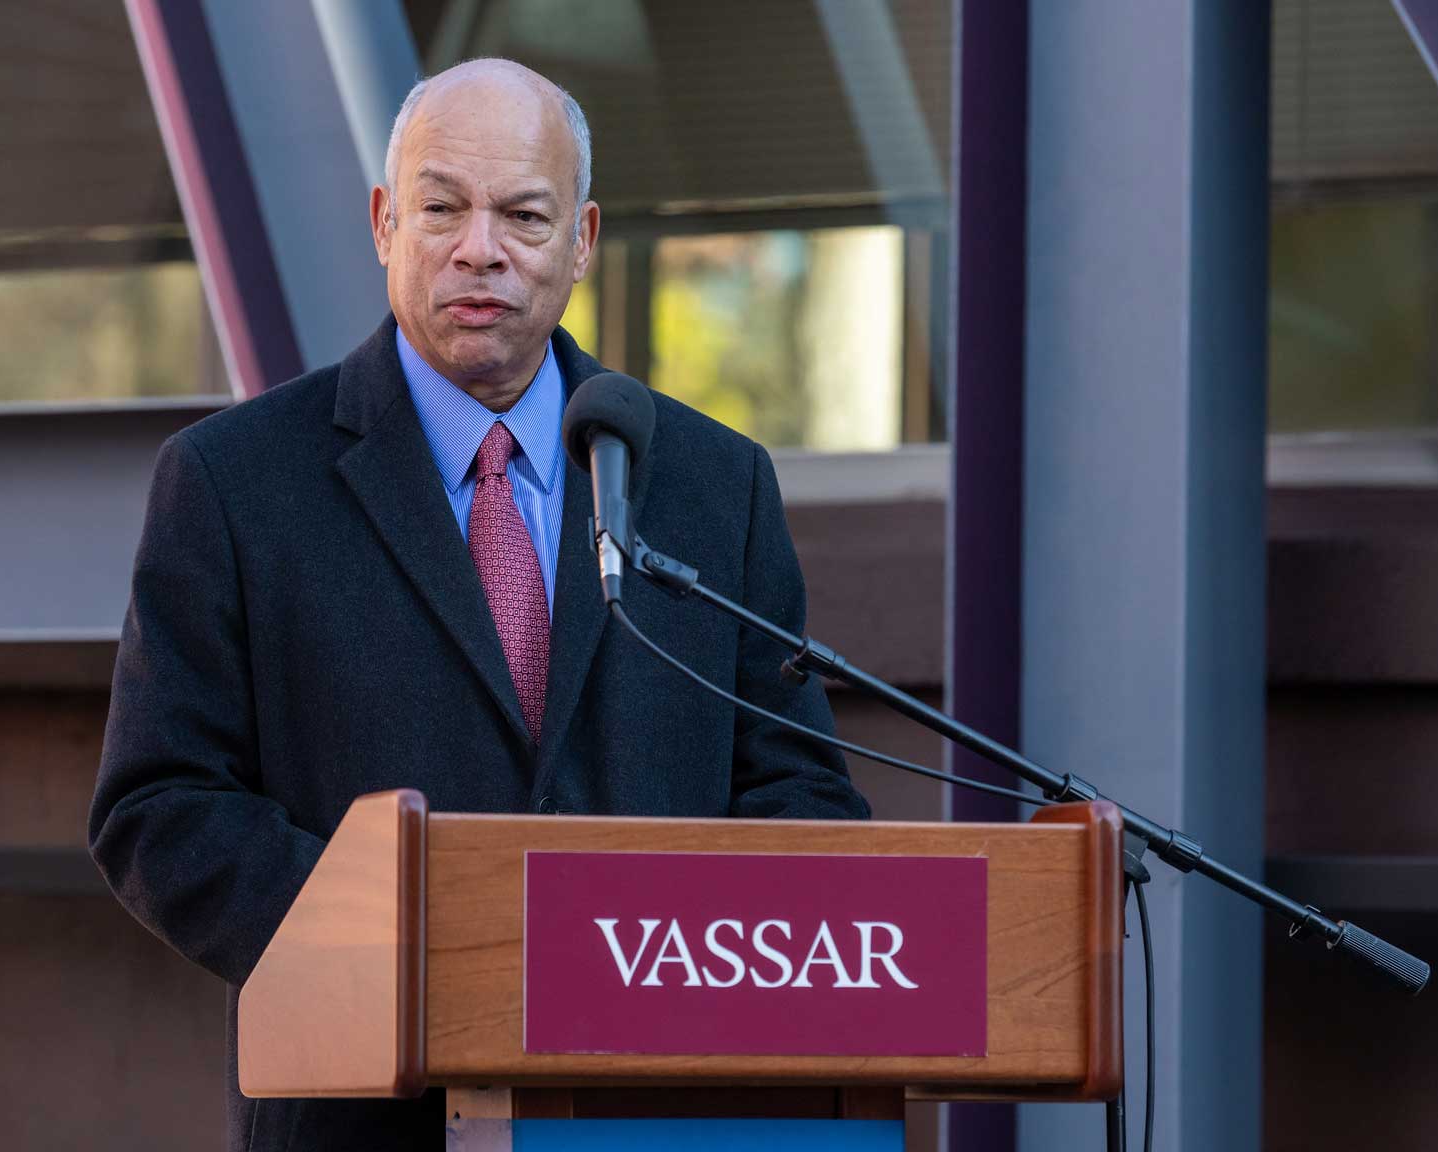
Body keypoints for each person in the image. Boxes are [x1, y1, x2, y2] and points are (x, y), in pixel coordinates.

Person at [89, 58, 869, 1152]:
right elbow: (156, 807)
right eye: (442, 207)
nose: (479, 249)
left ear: (583, 239)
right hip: (362, 1115)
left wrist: (665, 952)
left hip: (663, 1117)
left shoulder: (706, 483)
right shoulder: (233, 484)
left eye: (523, 215)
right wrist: (412, 943)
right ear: (382, 220)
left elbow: (797, 797)